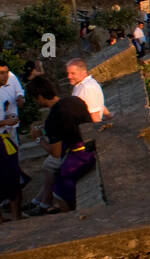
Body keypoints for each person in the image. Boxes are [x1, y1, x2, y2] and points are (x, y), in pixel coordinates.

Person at [23, 76, 94, 215]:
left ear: (39, 97)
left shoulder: (53, 118)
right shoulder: (75, 100)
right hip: (90, 146)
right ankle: (41, 202)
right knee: (50, 166)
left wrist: (38, 139)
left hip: (78, 155)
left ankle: (48, 205)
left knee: (56, 177)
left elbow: (55, 152)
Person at [0, 61, 24, 150]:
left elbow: (19, 91)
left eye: (6, 72)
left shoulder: (11, 76)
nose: (6, 76)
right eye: (2, 73)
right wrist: (6, 121)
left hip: (8, 128)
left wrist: (7, 117)